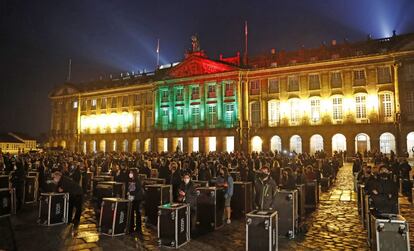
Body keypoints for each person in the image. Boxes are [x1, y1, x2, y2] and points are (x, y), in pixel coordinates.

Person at [127, 169, 144, 234]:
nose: (130, 174)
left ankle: (138, 227)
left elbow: (136, 189)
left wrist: (131, 193)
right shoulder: (131, 180)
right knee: (131, 212)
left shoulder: (137, 181)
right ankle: (131, 226)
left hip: (137, 199)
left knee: (137, 213)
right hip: (132, 198)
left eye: (131, 172)